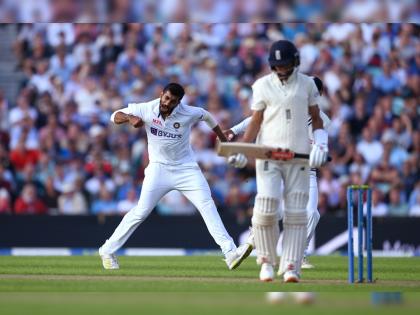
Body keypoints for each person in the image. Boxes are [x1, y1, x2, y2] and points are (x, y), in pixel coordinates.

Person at [99, 82, 252, 270]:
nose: (167, 102)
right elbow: (114, 116)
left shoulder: (189, 112)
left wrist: (222, 138)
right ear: (161, 94)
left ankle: (230, 253)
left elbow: (208, 117)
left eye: (172, 101)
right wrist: (130, 118)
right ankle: (107, 250)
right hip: (158, 169)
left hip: (186, 169)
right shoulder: (146, 108)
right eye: (166, 97)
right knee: (140, 212)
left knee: (207, 205)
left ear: (179, 102)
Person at [227, 40, 328, 283]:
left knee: (299, 214)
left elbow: (318, 122)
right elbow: (255, 120)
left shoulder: (307, 86)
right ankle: (264, 260)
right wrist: (243, 147)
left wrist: (321, 145)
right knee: (267, 207)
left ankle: (292, 263)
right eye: (277, 66)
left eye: (286, 65)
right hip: (271, 157)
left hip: (301, 166)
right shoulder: (262, 85)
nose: (281, 71)